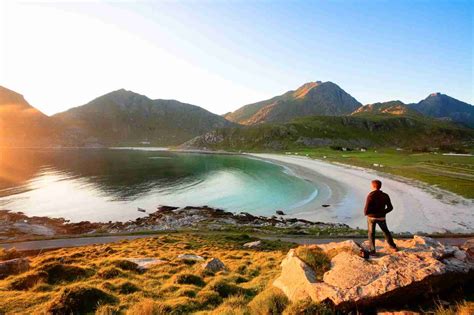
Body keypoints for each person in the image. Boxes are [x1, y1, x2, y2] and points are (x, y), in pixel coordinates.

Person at [364, 179, 398, 254]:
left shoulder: (371, 195)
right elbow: (390, 208)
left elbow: (366, 209)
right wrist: (383, 212)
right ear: (380, 186)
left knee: (371, 233)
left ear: (373, 186)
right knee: (386, 231)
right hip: (381, 217)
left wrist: (366, 213)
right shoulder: (385, 195)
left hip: (372, 217)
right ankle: (393, 246)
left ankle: (372, 251)